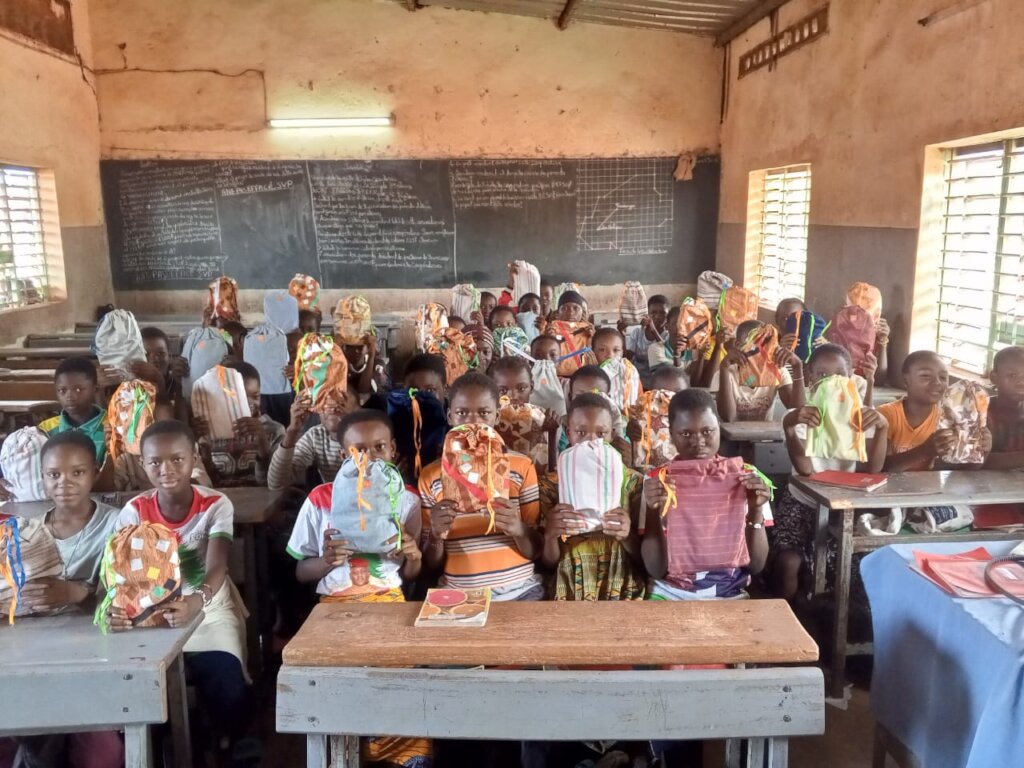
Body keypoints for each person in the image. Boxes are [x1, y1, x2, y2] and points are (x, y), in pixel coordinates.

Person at [286, 409, 428, 767]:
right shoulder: (321, 498)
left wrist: (412, 553)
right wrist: (327, 561)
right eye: (358, 450)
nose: (369, 457)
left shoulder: (406, 497)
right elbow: (302, 572)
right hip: (334, 606)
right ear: (341, 453)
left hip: (390, 602)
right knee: (335, 679)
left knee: (404, 674)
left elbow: (411, 574)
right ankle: (340, 754)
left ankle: (404, 756)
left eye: (378, 447)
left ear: (393, 449)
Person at [108, 421, 252, 758]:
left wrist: (195, 602)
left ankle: (231, 742)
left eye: (176, 459)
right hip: (152, 612)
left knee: (226, 683)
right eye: (154, 462)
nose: (166, 469)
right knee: (137, 688)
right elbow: (123, 575)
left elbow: (217, 567)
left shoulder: (216, 504)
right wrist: (119, 608)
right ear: (142, 464)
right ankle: (164, 748)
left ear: (194, 457)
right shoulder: (134, 511)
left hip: (208, 607)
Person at [0, 432, 123, 768]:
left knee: (99, 754)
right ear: (42, 478)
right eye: (53, 475)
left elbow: (126, 592)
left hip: (96, 654)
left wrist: (79, 592)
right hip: (32, 654)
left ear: (95, 473)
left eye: (77, 473)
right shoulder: (26, 531)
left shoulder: (117, 523)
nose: (64, 483)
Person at [770, 345, 888, 600]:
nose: (832, 380)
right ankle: (788, 616)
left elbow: (873, 468)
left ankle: (834, 622)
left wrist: (882, 429)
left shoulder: (857, 414)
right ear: (811, 378)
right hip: (802, 504)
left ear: (851, 378)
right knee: (789, 562)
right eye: (823, 374)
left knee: (853, 566)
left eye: (840, 374)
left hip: (841, 509)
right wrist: (790, 426)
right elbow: (805, 469)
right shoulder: (802, 415)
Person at [418, 372, 544, 601]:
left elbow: (536, 550)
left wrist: (518, 528)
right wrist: (436, 534)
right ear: (449, 416)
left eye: (484, 413)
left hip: (521, 591)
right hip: (458, 595)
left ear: (497, 416)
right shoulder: (432, 476)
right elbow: (431, 564)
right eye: (462, 413)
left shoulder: (521, 466)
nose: (473, 422)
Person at [641, 388, 771, 600]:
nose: (698, 441)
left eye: (707, 431)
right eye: (686, 433)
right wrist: (652, 510)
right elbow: (655, 569)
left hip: (730, 593)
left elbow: (756, 566)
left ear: (719, 429)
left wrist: (755, 509)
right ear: (672, 435)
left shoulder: (747, 477)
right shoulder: (657, 480)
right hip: (671, 593)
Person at [541, 393, 644, 600]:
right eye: (580, 432)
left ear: (612, 435)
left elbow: (647, 562)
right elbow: (546, 564)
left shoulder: (633, 482)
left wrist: (627, 536)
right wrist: (550, 535)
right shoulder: (551, 484)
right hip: (568, 588)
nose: (591, 441)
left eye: (601, 434)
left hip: (621, 586)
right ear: (568, 433)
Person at [876, 351, 992, 471]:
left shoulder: (951, 418)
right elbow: (879, 469)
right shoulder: (887, 415)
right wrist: (925, 451)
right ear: (906, 380)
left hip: (931, 487)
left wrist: (982, 450)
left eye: (943, 377)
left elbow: (963, 472)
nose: (937, 382)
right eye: (926, 376)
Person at [194, 361, 286, 486]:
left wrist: (262, 443)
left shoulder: (274, 431)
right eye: (240, 397)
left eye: (255, 396)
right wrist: (203, 448)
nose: (250, 403)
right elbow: (210, 485)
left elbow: (273, 484)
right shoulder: (210, 432)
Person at [114, 396, 213, 491]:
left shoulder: (185, 449)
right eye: (150, 427)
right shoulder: (126, 459)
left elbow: (202, 480)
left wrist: (174, 486)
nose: (160, 435)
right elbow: (108, 490)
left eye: (167, 427)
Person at [717, 320, 805, 422]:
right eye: (755, 345)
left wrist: (798, 367)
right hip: (731, 437)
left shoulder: (778, 371)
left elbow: (797, 411)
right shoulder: (727, 372)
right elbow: (729, 417)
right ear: (737, 345)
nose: (762, 352)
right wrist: (723, 368)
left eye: (767, 345)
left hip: (765, 437)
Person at [267, 390, 347, 491]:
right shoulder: (316, 435)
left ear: (358, 409)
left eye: (341, 404)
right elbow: (277, 483)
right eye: (324, 403)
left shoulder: (369, 436)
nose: (331, 409)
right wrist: (292, 431)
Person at [39, 357, 109, 465]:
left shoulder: (111, 427)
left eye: (78, 389)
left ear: (95, 389)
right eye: (62, 390)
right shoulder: (46, 430)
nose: (69, 397)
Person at [985, 346, 1024, 468]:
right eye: (1012, 375)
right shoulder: (980, 414)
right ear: (994, 378)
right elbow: (976, 462)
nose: (1021, 382)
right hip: (983, 484)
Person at [621, 294, 670, 388]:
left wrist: (654, 331)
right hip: (637, 382)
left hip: (659, 383)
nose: (657, 317)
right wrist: (622, 335)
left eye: (662, 313)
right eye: (653, 313)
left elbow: (667, 354)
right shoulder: (637, 333)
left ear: (667, 316)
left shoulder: (668, 335)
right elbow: (627, 358)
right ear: (647, 314)